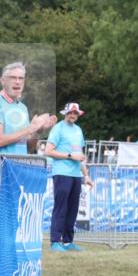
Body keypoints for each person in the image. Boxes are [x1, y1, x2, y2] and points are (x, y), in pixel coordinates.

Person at [45, 103, 94, 252]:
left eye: (75, 113)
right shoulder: (58, 128)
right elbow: (48, 151)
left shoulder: (78, 130)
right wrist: (69, 156)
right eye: (71, 112)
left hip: (76, 175)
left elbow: (80, 156)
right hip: (61, 173)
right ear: (65, 113)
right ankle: (55, 241)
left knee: (73, 209)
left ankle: (68, 241)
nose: (73, 115)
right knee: (61, 208)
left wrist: (86, 175)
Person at [0, 61, 55, 154]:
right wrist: (29, 129)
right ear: (3, 81)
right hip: (1, 167)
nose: (17, 82)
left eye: (21, 78)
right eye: (13, 78)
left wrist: (37, 131)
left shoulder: (23, 108)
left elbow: (28, 148)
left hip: (20, 166)